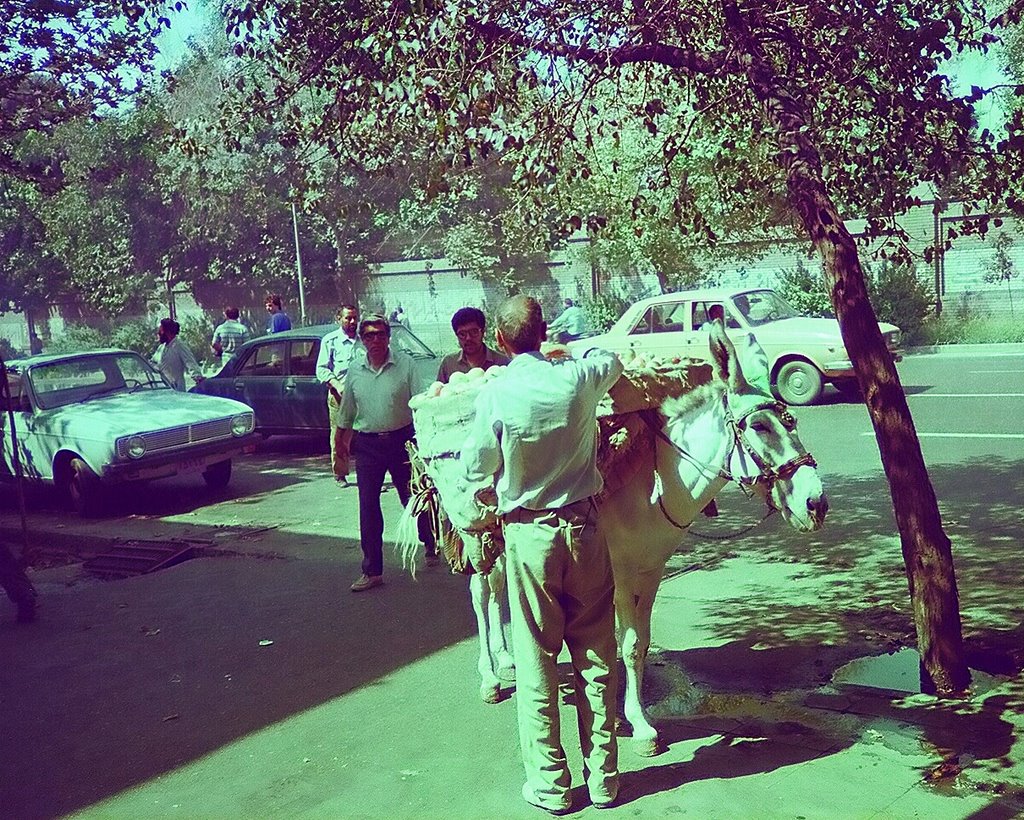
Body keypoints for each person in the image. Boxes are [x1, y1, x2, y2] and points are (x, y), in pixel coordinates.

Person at [461, 295, 623, 813]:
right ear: (544, 333)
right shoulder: (576, 377)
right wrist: (566, 351)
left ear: (501, 342)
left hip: (530, 538)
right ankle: (604, 781)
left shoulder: (497, 392)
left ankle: (552, 786)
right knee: (597, 659)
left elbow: (475, 465)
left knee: (537, 663)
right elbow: (614, 360)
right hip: (585, 530)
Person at [338, 314, 437, 592]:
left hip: (402, 440)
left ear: (388, 336)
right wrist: (339, 450)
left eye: (381, 334)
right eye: (369, 335)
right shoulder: (355, 369)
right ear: (362, 339)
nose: (376, 340)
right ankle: (372, 570)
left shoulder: (405, 364)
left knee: (413, 499)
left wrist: (425, 444)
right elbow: (346, 413)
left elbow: (419, 404)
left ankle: (429, 543)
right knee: (368, 506)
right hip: (368, 445)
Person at [316, 304, 361, 484]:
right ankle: (340, 473)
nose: (352, 322)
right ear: (339, 319)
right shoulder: (330, 341)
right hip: (339, 396)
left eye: (354, 318)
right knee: (340, 437)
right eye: (347, 318)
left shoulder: (364, 340)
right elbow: (321, 369)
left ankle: (371, 475)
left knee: (367, 436)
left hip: (363, 395)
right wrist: (336, 384)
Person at [436, 306, 510, 384]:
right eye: (462, 334)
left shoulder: (502, 362)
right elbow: (437, 393)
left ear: (483, 332)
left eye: (474, 332)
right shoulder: (449, 364)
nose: (468, 338)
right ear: (456, 335)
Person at [153, 318, 204, 391]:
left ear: (167, 332)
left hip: (177, 390)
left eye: (160, 331)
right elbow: (153, 363)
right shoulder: (161, 348)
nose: (158, 334)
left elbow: (190, 362)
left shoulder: (179, 346)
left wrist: (198, 378)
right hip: (163, 390)